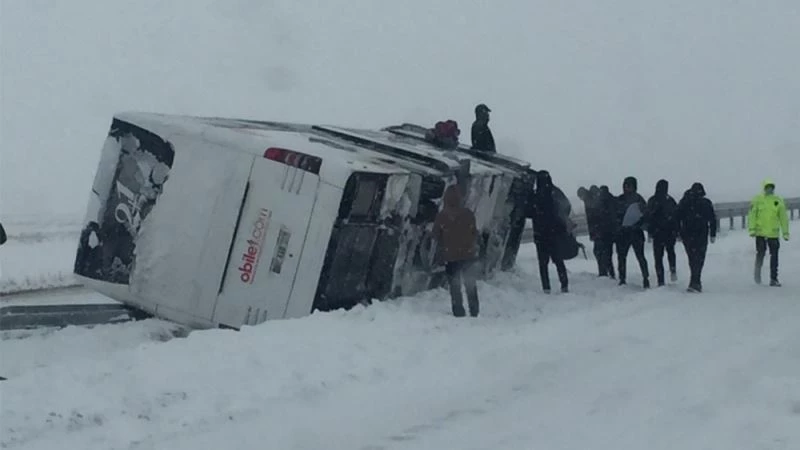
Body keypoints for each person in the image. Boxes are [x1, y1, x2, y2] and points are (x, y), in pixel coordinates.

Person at [433, 185, 480, 317]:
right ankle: (474, 310)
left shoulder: (442, 215)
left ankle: (458, 310)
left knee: (455, 286)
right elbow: (474, 232)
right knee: (470, 283)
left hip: (451, 257)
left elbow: (435, 235)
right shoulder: (468, 214)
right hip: (468, 255)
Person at [531, 170, 570, 293]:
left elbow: (528, 211)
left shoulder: (535, 196)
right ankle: (564, 285)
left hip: (540, 234)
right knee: (558, 261)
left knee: (543, 264)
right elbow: (567, 205)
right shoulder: (555, 192)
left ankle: (546, 288)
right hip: (555, 233)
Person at [747, 179, 790, 286]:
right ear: (764, 188)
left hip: (773, 234)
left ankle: (773, 278)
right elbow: (752, 215)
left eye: (771, 187)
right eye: (768, 187)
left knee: (774, 256)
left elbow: (783, 217)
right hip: (760, 233)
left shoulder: (778, 201)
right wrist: (752, 229)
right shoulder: (757, 200)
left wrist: (785, 232)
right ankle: (757, 275)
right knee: (760, 254)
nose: (770, 189)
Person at [676, 182, 717, 292]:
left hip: (688, 233)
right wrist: (713, 233)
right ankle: (696, 280)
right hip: (700, 233)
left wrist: (678, 232)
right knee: (699, 257)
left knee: (692, 257)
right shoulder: (705, 202)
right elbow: (712, 219)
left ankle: (695, 280)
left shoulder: (685, 202)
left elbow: (677, 217)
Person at [616, 176, 650, 288]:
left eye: (629, 185)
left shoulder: (639, 199)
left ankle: (646, 278)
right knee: (621, 257)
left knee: (640, 256)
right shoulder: (620, 199)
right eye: (625, 185)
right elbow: (614, 214)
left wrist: (638, 224)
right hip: (623, 232)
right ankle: (622, 279)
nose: (626, 187)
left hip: (636, 232)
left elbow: (646, 215)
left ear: (634, 186)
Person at [646, 179, 679, 286]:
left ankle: (661, 280)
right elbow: (676, 216)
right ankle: (673, 270)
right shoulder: (670, 200)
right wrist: (677, 230)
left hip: (657, 233)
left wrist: (650, 232)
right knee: (670, 252)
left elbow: (648, 217)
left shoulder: (652, 200)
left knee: (658, 257)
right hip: (669, 232)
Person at [578, 186, 602, 275]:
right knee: (601, 252)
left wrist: (593, 233)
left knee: (599, 252)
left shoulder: (589, 201)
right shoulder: (591, 199)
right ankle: (606, 271)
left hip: (598, 230)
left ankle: (603, 272)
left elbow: (592, 219)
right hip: (599, 230)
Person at [595, 185, 617, 278]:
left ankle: (604, 273)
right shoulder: (613, 200)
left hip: (603, 232)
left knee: (601, 253)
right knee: (608, 255)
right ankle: (610, 273)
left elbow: (599, 217)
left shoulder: (601, 202)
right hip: (610, 232)